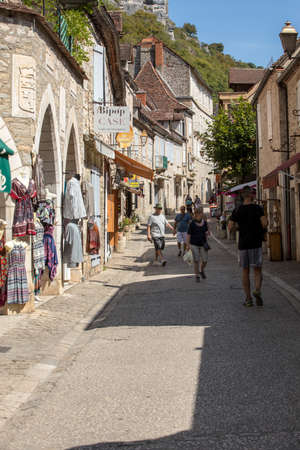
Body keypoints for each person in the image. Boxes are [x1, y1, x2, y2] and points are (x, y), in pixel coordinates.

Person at [228, 187, 267, 308]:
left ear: (242, 197)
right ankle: (257, 290)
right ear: (251, 195)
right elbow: (264, 223)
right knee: (257, 269)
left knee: (245, 271)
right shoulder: (258, 208)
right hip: (256, 243)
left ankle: (248, 299)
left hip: (243, 244)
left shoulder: (237, 210)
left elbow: (230, 226)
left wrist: (238, 228)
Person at [186, 208, 209, 282]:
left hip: (203, 244)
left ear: (202, 214)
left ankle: (202, 270)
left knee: (205, 260)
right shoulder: (192, 224)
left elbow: (206, 232)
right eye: (197, 213)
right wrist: (187, 245)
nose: (199, 214)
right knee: (196, 260)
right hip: (194, 244)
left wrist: (207, 234)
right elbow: (188, 235)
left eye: (200, 213)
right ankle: (197, 276)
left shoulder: (204, 223)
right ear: (195, 215)